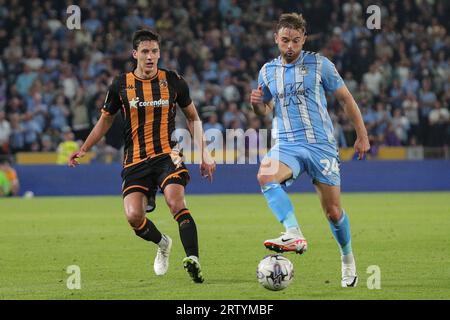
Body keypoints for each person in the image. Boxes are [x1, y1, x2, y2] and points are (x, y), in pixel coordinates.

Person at [69, 29, 215, 283]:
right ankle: (162, 243)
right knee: (134, 216)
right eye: (145, 52)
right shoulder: (120, 84)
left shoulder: (173, 80)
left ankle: (193, 259)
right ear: (135, 54)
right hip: (135, 160)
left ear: (160, 53)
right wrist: (85, 147)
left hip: (168, 156)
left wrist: (206, 154)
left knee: (175, 202)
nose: (150, 57)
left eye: (155, 51)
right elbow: (105, 121)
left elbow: (193, 118)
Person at [250, 13, 370, 287]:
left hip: (321, 147)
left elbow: (345, 99)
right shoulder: (267, 70)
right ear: (276, 39)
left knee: (333, 212)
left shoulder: (320, 65)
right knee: (265, 176)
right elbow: (266, 109)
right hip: (287, 144)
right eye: (284, 40)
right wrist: (257, 103)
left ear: (304, 39)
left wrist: (361, 135)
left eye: (295, 41)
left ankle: (347, 258)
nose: (289, 46)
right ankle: (293, 232)